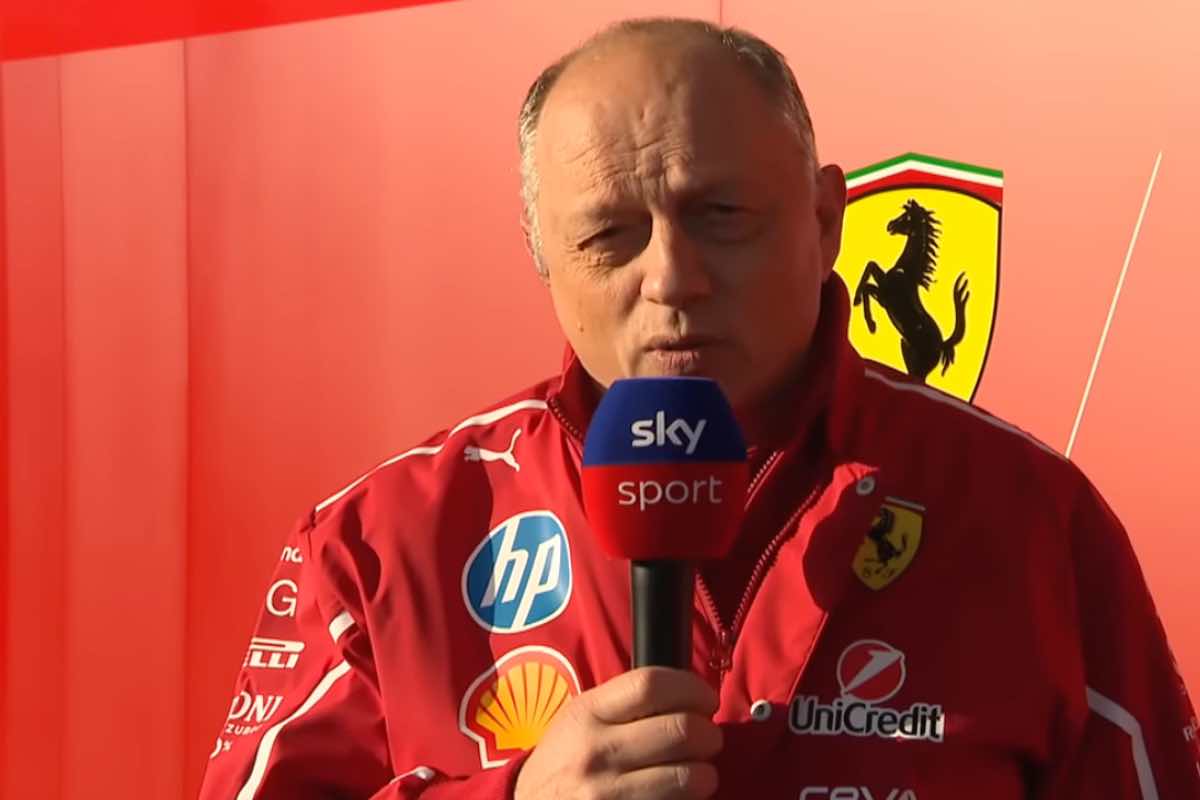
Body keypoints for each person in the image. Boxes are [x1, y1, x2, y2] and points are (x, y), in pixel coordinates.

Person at [198, 17, 1200, 800]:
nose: (673, 278)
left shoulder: (1031, 518)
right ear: (543, 254)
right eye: (610, 235)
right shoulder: (385, 542)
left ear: (826, 220)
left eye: (721, 216)